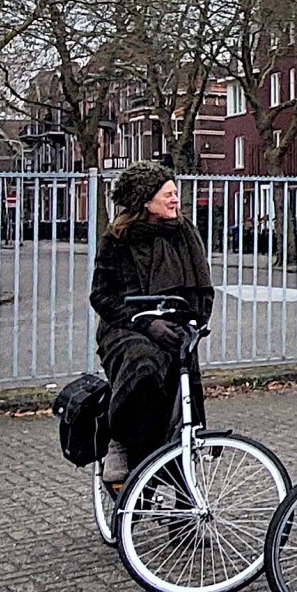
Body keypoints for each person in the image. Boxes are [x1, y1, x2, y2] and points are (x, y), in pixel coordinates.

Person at [89, 162, 214, 486]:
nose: (175, 200)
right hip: (127, 327)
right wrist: (144, 324)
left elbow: (203, 289)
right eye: (168, 195)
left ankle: (183, 504)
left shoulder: (185, 234)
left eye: (175, 194)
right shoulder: (117, 239)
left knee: (183, 397)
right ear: (146, 200)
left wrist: (195, 324)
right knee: (143, 365)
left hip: (176, 325)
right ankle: (121, 441)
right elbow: (101, 296)